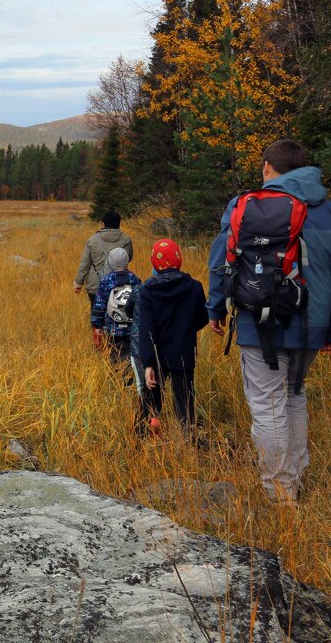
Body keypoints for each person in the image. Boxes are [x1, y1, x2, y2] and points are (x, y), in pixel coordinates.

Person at [207, 139, 331, 506]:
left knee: (267, 402)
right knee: (294, 393)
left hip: (256, 321)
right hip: (313, 323)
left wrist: (215, 309)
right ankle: (295, 476)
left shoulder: (244, 207)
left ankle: (280, 492)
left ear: (267, 167)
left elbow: (221, 261)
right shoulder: (324, 211)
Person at [136, 238, 209, 430]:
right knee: (184, 399)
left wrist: (148, 363)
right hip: (184, 351)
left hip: (157, 354)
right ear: (178, 258)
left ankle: (143, 436)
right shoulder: (194, 287)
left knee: (150, 398)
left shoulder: (146, 290)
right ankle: (187, 438)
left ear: (154, 261)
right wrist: (186, 329)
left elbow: (146, 329)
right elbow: (202, 318)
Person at [74, 211, 133, 326]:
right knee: (119, 315)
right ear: (119, 224)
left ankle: (99, 341)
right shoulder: (126, 240)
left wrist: (78, 283)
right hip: (120, 284)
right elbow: (128, 258)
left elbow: (85, 264)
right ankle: (115, 340)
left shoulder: (92, 240)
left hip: (96, 285)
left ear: (103, 224)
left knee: (97, 315)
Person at [91, 247, 141, 365]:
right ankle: (129, 376)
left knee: (114, 354)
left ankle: (117, 376)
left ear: (110, 262)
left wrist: (96, 324)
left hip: (112, 327)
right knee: (131, 354)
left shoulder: (106, 281)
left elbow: (99, 304)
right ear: (127, 261)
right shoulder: (135, 279)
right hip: (131, 327)